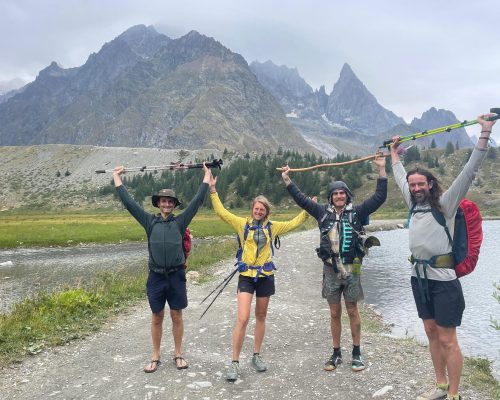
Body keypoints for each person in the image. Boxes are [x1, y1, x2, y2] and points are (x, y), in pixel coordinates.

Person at [389, 114, 496, 400]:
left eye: (420, 184)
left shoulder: (446, 204)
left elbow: (469, 171)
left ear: (430, 184)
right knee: (430, 332)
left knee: (448, 338)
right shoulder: (412, 204)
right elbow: (399, 174)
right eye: (412, 185)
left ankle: (454, 394)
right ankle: (439, 385)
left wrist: (485, 132)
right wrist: (393, 154)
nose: (415, 188)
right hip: (418, 278)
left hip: (444, 281)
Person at [281, 153, 387, 372]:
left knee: (352, 309)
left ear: (347, 196)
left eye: (342, 193)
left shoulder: (358, 212)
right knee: (334, 312)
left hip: (353, 267)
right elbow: (300, 198)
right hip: (330, 268)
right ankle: (336, 352)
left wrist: (381, 170)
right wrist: (287, 180)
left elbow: (379, 197)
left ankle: (357, 352)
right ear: (330, 197)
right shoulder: (321, 212)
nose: (339, 196)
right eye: (335, 193)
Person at [207, 171, 311, 381]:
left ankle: (256, 355)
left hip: (265, 276)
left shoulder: (273, 227)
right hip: (245, 276)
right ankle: (234, 362)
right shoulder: (241, 224)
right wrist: (212, 190)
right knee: (243, 318)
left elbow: (293, 223)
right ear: (252, 210)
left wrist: (308, 209)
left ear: (266, 212)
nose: (258, 211)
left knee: (261, 316)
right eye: (256, 208)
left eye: (261, 209)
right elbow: (222, 212)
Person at [112, 163, 211, 373]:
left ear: (174, 205)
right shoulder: (149, 222)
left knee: (177, 315)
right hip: (155, 277)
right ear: (158, 203)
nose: (166, 204)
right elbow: (130, 204)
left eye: (170, 201)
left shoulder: (180, 222)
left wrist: (206, 175)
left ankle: (178, 353)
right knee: (157, 316)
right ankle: (155, 355)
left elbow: (196, 202)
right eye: (163, 201)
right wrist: (117, 179)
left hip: (176, 276)